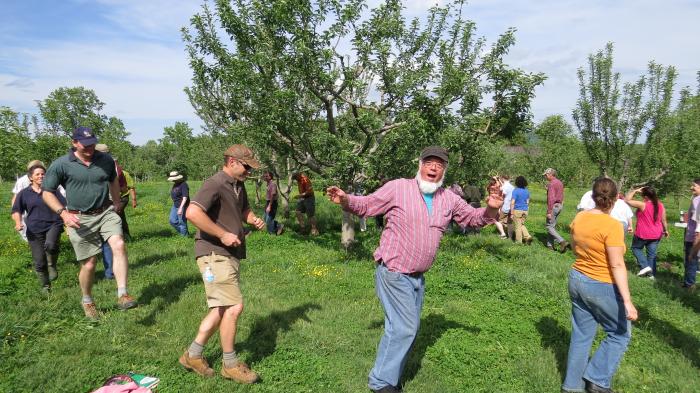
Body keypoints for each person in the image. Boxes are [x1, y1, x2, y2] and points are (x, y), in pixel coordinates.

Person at [326, 146, 503, 393]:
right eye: (429, 162)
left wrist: (492, 208)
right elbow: (367, 205)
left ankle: (390, 378)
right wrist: (345, 199)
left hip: (418, 278)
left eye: (439, 165)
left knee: (401, 328)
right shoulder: (398, 187)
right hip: (394, 271)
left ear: (444, 170)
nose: (433, 167)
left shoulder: (448, 198)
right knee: (404, 328)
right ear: (419, 165)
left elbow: (473, 219)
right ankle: (381, 382)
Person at [179, 144, 265, 383]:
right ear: (231, 162)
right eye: (246, 167)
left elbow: (243, 209)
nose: (249, 172)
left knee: (220, 309)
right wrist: (222, 234)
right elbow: (193, 213)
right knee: (234, 307)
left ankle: (192, 355)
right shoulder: (214, 183)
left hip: (229, 254)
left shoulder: (238, 185)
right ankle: (230, 364)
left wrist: (253, 219)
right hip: (213, 254)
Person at [42, 127, 137, 320]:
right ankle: (87, 300)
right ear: (74, 143)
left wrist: (117, 201)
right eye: (85, 145)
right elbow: (47, 192)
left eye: (92, 144)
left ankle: (122, 294)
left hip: (105, 212)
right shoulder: (61, 164)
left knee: (119, 245)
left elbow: (113, 181)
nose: (90, 148)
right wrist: (64, 214)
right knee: (90, 264)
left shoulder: (106, 160)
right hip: (79, 218)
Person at [562, 177, 638, 393]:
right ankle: (597, 380)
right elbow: (616, 264)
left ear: (593, 196)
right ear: (615, 200)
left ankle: (572, 386)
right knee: (620, 333)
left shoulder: (580, 217)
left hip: (577, 278)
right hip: (601, 284)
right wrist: (628, 301)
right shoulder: (613, 226)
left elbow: (576, 248)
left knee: (581, 336)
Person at [11, 163, 65, 292]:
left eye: (43, 174)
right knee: (39, 261)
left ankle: (52, 265)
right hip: (34, 229)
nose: (41, 176)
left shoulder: (52, 191)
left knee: (51, 245)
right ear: (31, 178)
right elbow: (16, 210)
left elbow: (64, 206)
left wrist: (67, 222)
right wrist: (18, 223)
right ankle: (46, 286)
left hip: (54, 223)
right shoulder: (24, 193)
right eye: (38, 174)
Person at [95, 144, 138, 279]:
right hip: (110, 204)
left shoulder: (92, 166)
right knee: (108, 238)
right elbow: (124, 188)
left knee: (106, 239)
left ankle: (110, 271)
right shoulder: (116, 167)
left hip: (101, 206)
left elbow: (126, 187)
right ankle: (109, 271)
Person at [625, 186, 668, 279]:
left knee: (636, 248)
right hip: (657, 233)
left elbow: (627, 200)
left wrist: (635, 191)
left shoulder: (643, 204)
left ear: (645, 196)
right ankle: (651, 276)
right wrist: (666, 230)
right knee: (651, 255)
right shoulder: (660, 205)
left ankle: (645, 267)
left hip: (643, 233)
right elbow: (664, 220)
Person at [543, 168, 570, 252]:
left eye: (546, 175)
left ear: (550, 174)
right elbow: (561, 194)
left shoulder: (551, 184)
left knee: (548, 226)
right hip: (559, 205)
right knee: (552, 226)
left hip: (553, 206)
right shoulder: (559, 182)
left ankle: (562, 241)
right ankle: (550, 246)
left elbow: (551, 199)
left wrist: (549, 211)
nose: (545, 176)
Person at [682, 178, 700, 291]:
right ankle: (688, 282)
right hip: (691, 233)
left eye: (694, 186)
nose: (691, 188)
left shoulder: (697, 200)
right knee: (690, 260)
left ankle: (689, 285)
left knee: (691, 259)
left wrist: (696, 239)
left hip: (694, 236)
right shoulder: (695, 198)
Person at [510, 176, 533, 245]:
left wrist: (511, 213)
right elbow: (527, 202)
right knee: (521, 224)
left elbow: (512, 202)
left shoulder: (515, 191)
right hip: (525, 210)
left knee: (517, 227)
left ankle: (518, 242)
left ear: (517, 182)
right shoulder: (527, 191)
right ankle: (528, 236)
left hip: (517, 210)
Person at [168, 171, 190, 236]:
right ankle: (183, 232)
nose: (173, 180)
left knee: (182, 222)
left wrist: (180, 208)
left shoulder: (183, 184)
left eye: (174, 179)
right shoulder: (175, 184)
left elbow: (185, 197)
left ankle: (184, 237)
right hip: (175, 205)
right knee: (172, 221)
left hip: (182, 206)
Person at [262, 171, 284, 235]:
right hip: (268, 202)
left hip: (272, 203)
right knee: (265, 218)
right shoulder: (268, 184)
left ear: (270, 177)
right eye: (265, 176)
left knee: (269, 219)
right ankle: (279, 225)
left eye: (267, 176)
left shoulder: (273, 184)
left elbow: (273, 195)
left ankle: (272, 233)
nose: (265, 177)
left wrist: (269, 206)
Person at [499, 175, 515, 239]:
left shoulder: (505, 186)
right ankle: (511, 236)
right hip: (512, 206)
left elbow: (503, 195)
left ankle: (504, 234)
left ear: (503, 178)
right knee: (510, 222)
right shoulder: (512, 186)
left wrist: (500, 204)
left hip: (505, 205)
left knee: (500, 220)